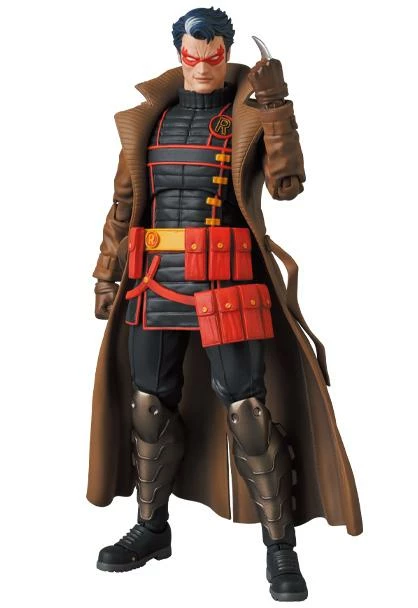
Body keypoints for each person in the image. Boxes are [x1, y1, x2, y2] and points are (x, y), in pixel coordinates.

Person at [87, 7, 362, 602]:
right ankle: (152, 527)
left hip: (228, 284)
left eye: (214, 53)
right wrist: (107, 274)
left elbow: (287, 185)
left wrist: (277, 106)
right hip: (154, 282)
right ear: (179, 54)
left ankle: (280, 546)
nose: (204, 65)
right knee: (148, 405)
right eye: (193, 54)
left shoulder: (249, 116)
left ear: (227, 52)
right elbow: (123, 205)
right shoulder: (151, 120)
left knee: (247, 412)